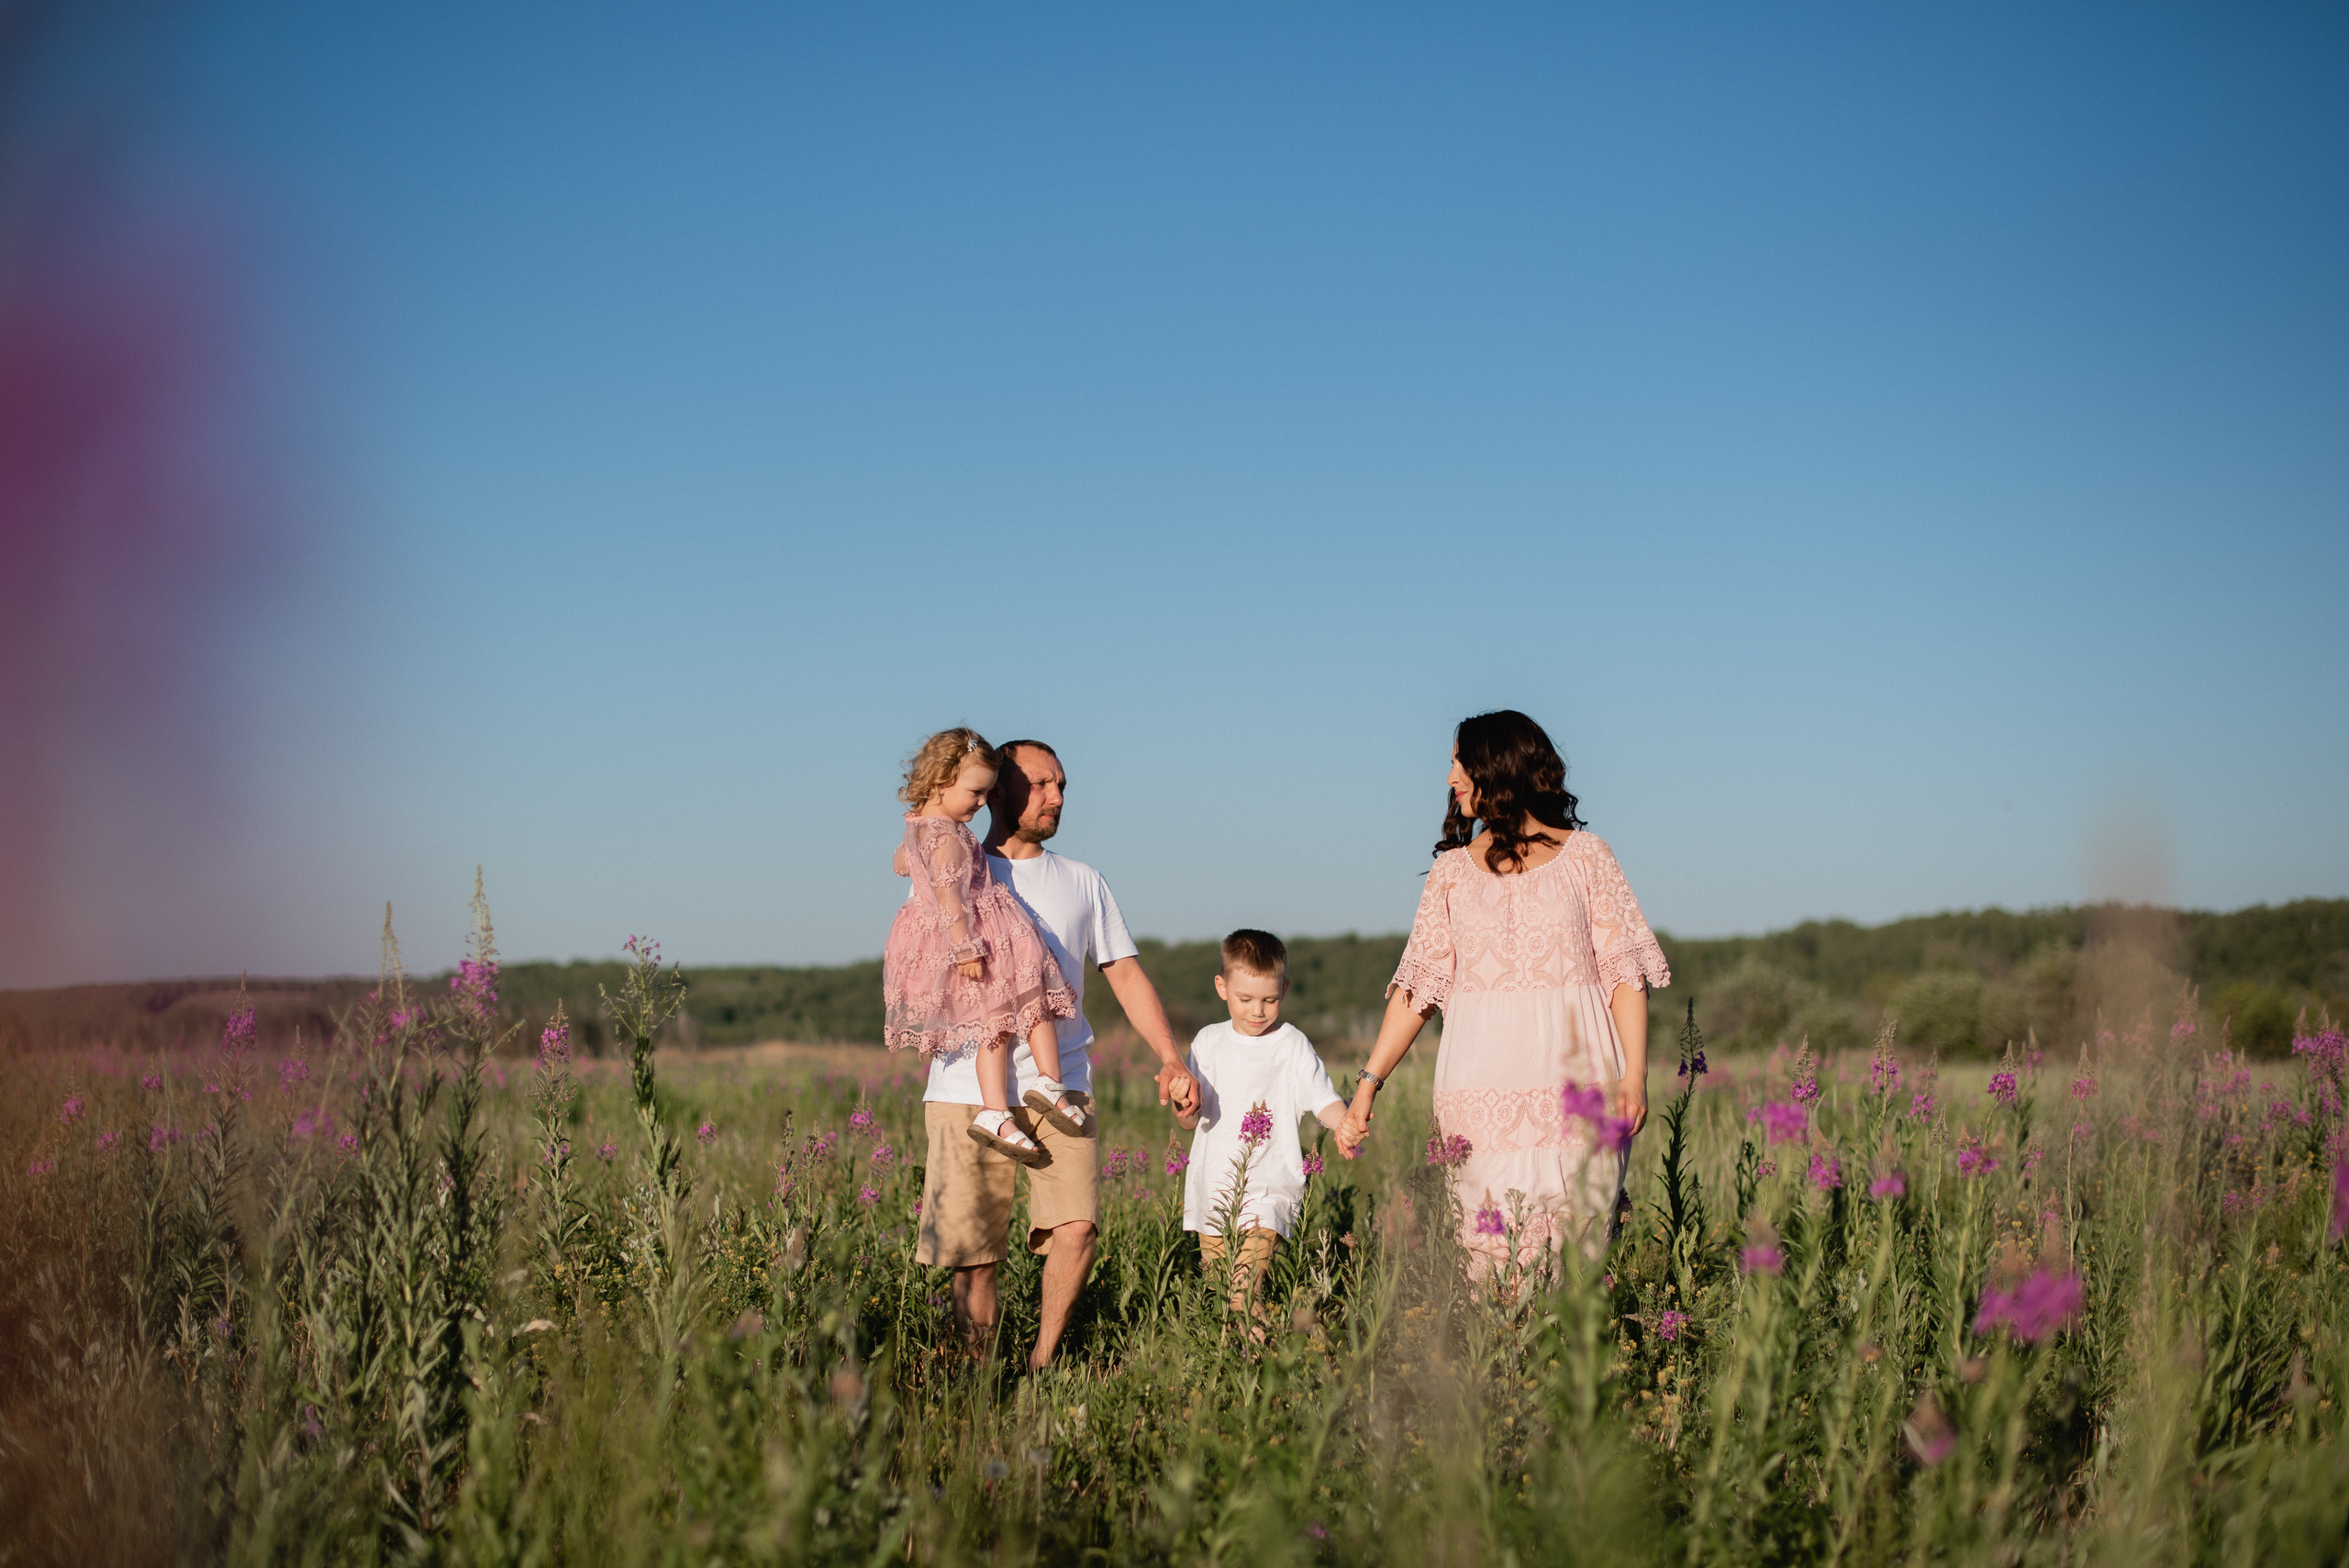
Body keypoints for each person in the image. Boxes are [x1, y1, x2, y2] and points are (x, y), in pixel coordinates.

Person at [1335, 710, 1670, 1273]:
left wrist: (1634, 1075)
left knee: (1578, 1260)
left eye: (1460, 763)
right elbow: (1418, 990)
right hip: (1479, 1094)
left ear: (1500, 765)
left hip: (1583, 1088)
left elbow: (1624, 974)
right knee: (1493, 1262)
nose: (1451, 778)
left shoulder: (1588, 857)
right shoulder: (1450, 874)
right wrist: (1368, 1085)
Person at [914, 737, 1200, 1368]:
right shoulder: (956, 864)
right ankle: (981, 1383)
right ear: (997, 789)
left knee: (1077, 1229)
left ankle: (1040, 1366)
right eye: (1041, 784)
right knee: (974, 1258)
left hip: (1062, 1083)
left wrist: (1170, 1056)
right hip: (967, 1089)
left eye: (1062, 785)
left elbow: (1124, 973)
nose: (1057, 797)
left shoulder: (1083, 881)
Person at [883, 728, 1085, 1163]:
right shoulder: (949, 837)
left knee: (993, 1025)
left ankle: (996, 1111)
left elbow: (901, 864)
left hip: (954, 938)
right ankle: (1050, 1081)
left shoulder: (919, 827)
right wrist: (965, 949)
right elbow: (951, 899)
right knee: (1034, 994)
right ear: (941, 782)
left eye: (986, 793)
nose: (980, 803)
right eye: (975, 793)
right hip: (982, 934)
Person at [1174, 929, 1347, 1311]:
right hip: (1213, 1191)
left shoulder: (1292, 1045)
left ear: (1285, 989)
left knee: (1242, 1289)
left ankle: (1257, 1342)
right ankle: (1257, 1344)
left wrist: (1345, 1123)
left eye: (1269, 1000)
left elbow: (1323, 1099)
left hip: (1269, 1189)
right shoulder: (1206, 1043)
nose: (1258, 1011)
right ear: (1222, 987)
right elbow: (1189, 1121)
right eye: (1246, 999)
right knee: (1224, 1293)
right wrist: (1183, 1106)